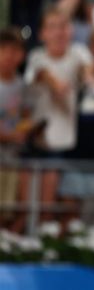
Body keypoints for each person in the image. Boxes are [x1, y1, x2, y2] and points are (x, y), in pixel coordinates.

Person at [22, 8, 94, 223]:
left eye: (64, 26)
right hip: (33, 141)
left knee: (52, 209)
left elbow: (86, 70)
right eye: (53, 27)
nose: (60, 33)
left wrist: (90, 81)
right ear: (42, 33)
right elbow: (41, 74)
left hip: (63, 144)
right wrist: (55, 84)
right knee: (26, 208)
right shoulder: (36, 57)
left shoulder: (79, 53)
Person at [0, 28, 31, 229]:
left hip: (14, 158)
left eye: (16, 51)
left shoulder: (22, 85)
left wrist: (27, 130)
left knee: (12, 210)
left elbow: (25, 116)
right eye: (5, 50)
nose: (10, 56)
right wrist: (10, 137)